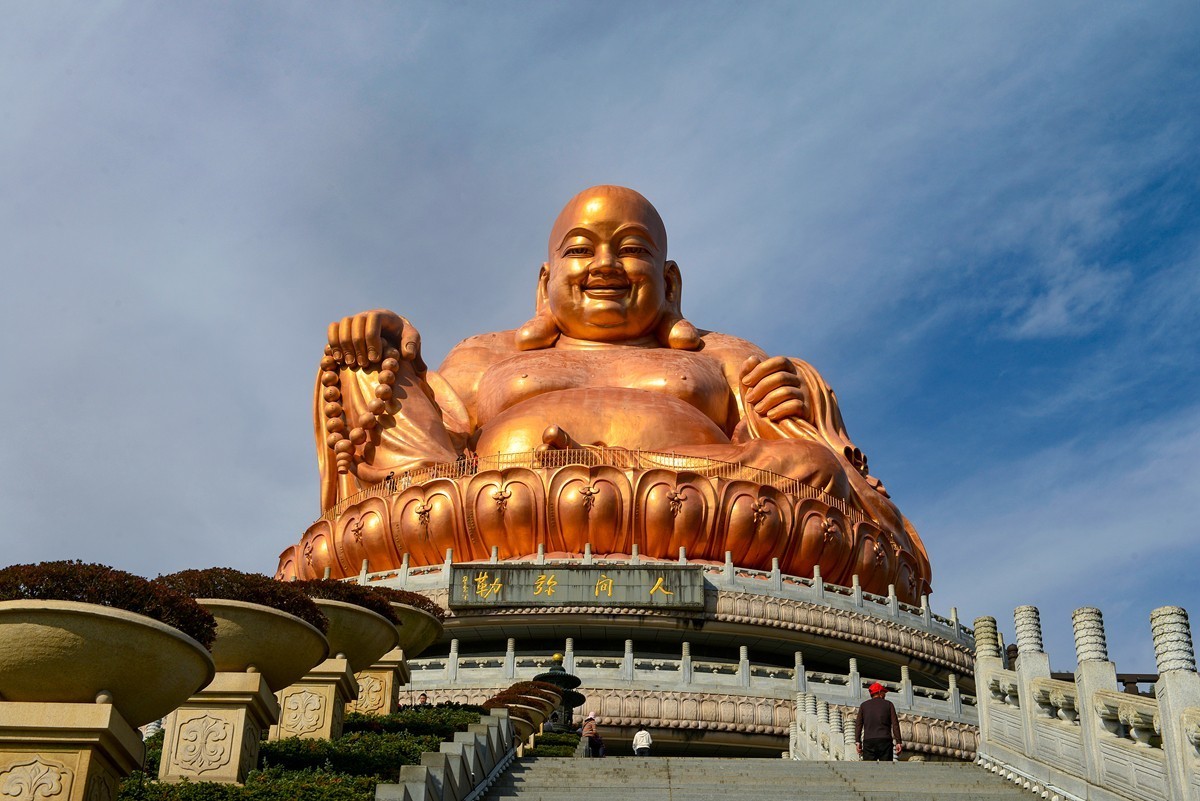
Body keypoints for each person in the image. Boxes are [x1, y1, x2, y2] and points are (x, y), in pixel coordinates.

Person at [315, 185, 930, 598]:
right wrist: (387, 352)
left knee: (806, 466)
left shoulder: (723, 355)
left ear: (669, 282)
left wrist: (801, 401)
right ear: (545, 283)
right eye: (581, 250)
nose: (605, 265)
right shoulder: (487, 354)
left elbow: (811, 463)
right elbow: (433, 453)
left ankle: (598, 477)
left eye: (631, 249)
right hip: (506, 507)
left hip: (689, 511)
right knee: (373, 387)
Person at [855, 682, 902, 761]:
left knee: (869, 767)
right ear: (880, 692)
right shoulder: (889, 704)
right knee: (886, 767)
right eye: (884, 692)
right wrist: (898, 742)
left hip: (869, 741)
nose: (885, 694)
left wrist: (857, 741)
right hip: (885, 741)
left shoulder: (863, 705)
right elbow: (895, 724)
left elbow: (858, 724)